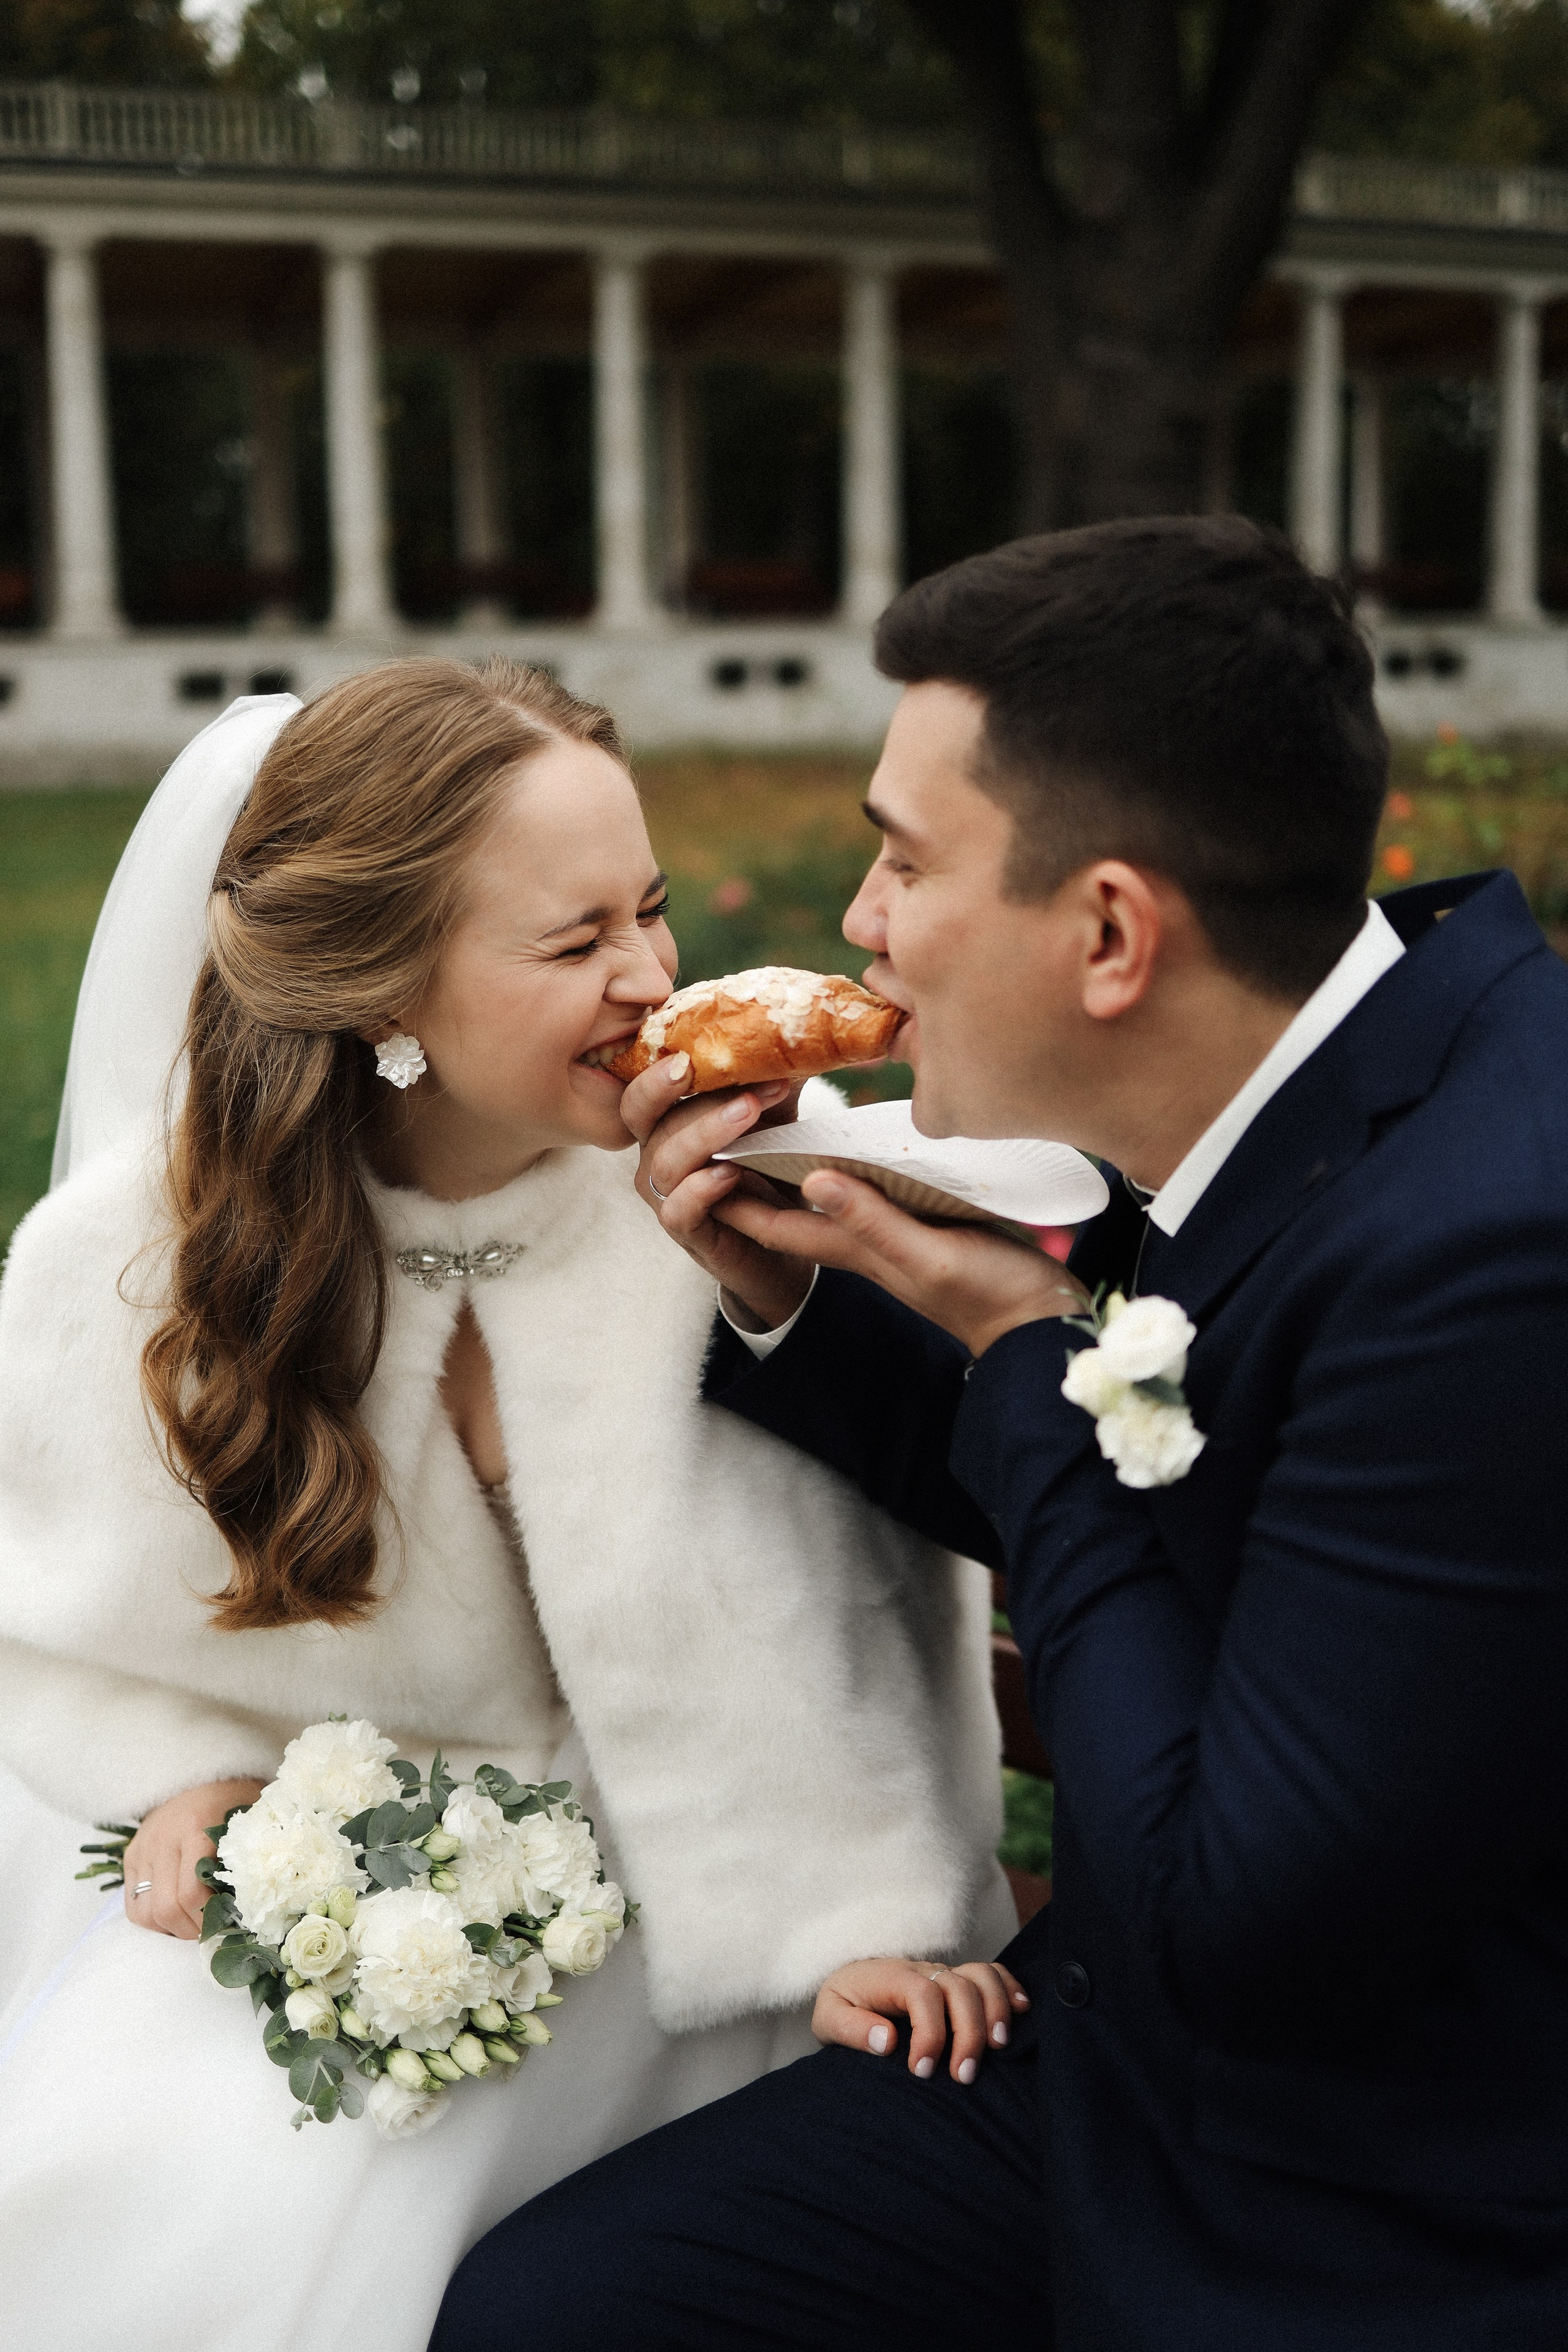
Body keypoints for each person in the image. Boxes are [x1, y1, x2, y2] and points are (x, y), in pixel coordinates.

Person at [436, 519, 1568, 2350]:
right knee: (556, 2313)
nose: (861, 923)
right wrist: (799, 1293)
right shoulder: (1305, 1070)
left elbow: (1234, 1921)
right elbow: (1148, 1499)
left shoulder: (1498, 1261)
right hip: (1116, 2047)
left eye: (902, 859)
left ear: (1112, 930)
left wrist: (1030, 1356)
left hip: (1371, 2176)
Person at [0, 657, 1015, 2352]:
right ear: (382, 988)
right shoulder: (126, 1270)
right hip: (366, 1913)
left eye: (654, 911)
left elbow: (860, 1608)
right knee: (155, 2186)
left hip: (726, 1911)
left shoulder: (756, 1177)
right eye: (574, 942)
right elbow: (66, 1627)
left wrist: (870, 1926)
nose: (651, 980)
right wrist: (177, 1781)